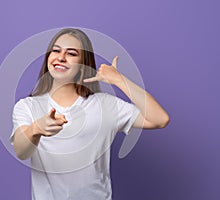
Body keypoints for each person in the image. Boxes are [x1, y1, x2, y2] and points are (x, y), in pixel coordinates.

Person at [10, 28, 170, 200]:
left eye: (71, 53)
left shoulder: (106, 105)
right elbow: (21, 151)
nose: (61, 57)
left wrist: (118, 80)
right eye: (56, 50)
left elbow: (160, 119)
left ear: (83, 64)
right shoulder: (27, 106)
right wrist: (36, 128)